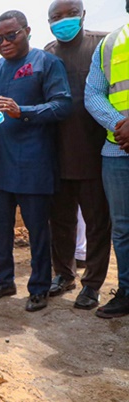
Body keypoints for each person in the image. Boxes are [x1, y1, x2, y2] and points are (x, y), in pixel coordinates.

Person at [0, 10, 72, 311]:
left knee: (37, 230)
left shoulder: (46, 63)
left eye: (11, 35)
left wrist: (23, 111)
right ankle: (4, 281)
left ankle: (40, 286)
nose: (4, 42)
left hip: (33, 164)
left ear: (27, 31)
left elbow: (63, 105)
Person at [44, 0, 110, 311]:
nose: (63, 21)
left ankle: (93, 285)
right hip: (56, 153)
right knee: (60, 221)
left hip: (95, 152)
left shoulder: (102, 44)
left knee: (97, 223)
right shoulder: (48, 53)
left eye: (69, 14)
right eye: (55, 17)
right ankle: (64, 274)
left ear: (82, 15)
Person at [85, 0, 129, 319]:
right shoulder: (110, 43)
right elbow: (93, 94)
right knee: (123, 228)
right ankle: (126, 290)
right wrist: (119, 125)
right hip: (118, 150)